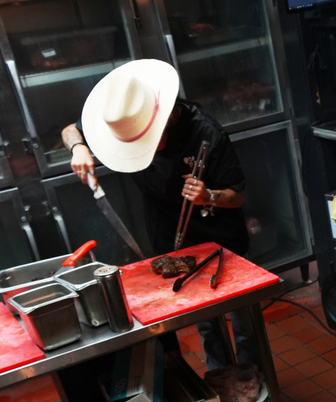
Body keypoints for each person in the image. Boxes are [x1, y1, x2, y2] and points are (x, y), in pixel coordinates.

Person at [61, 59, 257, 371]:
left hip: (221, 236)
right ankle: (222, 377)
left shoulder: (205, 133)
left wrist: (210, 196)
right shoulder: (122, 116)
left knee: (244, 321)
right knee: (204, 322)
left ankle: (254, 378)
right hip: (173, 238)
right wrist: (78, 149)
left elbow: (238, 195)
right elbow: (70, 130)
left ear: (163, 119)